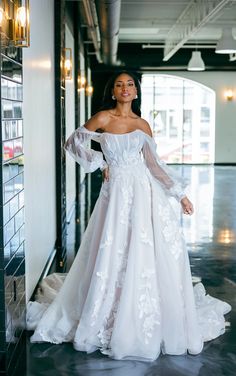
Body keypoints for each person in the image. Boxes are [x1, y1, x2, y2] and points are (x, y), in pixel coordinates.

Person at [29, 71, 231, 361]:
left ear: (136, 92)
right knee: (114, 249)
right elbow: (73, 142)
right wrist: (100, 163)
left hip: (143, 193)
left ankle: (138, 308)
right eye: (119, 85)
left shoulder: (142, 124)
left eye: (130, 84)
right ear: (113, 92)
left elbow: (154, 165)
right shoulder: (102, 118)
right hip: (115, 195)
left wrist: (180, 195)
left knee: (142, 249)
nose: (125, 89)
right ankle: (107, 307)